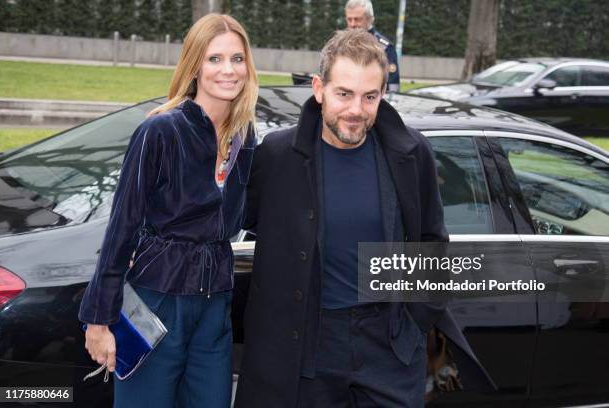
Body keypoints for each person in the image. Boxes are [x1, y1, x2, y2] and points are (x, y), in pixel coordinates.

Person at [234, 29, 494, 408]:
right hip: (306, 346)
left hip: (387, 344)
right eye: (344, 94)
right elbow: (235, 219)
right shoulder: (277, 155)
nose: (356, 110)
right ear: (319, 88)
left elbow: (431, 242)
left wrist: (413, 326)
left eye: (369, 97)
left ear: (382, 95)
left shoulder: (411, 153)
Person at [78, 13, 258, 408]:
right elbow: (122, 226)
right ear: (194, 65)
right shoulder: (160, 130)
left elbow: (251, 215)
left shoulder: (245, 137)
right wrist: (98, 318)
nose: (228, 70)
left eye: (237, 59)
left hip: (215, 307)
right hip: (156, 302)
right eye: (214, 59)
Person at [345, 0, 401, 92]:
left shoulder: (384, 47)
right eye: (349, 19)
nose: (352, 24)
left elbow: (393, 86)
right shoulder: (339, 44)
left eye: (357, 19)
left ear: (370, 19)